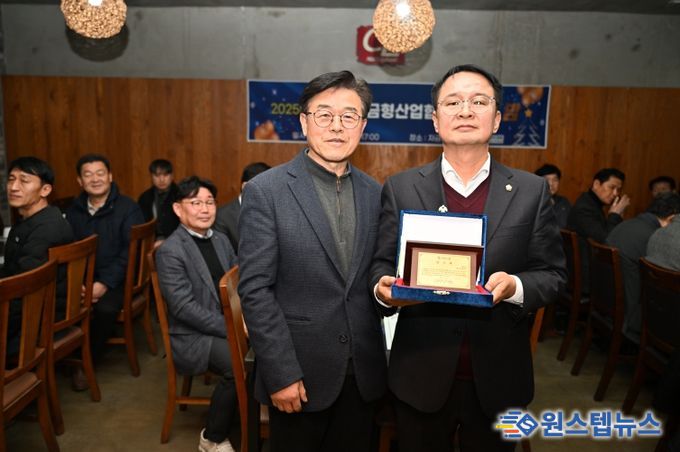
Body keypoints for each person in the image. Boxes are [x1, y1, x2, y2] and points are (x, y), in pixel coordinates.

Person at [369, 64, 566, 451]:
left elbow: (553, 275)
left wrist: (514, 286)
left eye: (478, 101)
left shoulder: (531, 191)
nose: (465, 111)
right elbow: (381, 265)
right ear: (435, 120)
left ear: (496, 119)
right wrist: (384, 291)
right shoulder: (401, 187)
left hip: (499, 376)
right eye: (453, 102)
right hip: (420, 374)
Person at [237, 70, 386, 452]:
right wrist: (281, 373)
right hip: (299, 373)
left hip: (362, 373)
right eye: (324, 115)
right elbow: (255, 290)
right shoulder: (266, 191)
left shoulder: (376, 193)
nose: (337, 126)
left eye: (349, 116)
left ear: (362, 126)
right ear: (304, 122)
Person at [156, 176, 237, 452]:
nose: (205, 209)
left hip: (225, 323)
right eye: (196, 203)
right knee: (237, 364)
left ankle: (247, 420)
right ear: (178, 209)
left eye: (210, 202)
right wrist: (233, 328)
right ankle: (212, 437)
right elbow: (183, 308)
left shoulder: (221, 239)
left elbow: (239, 282)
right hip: (192, 335)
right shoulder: (171, 251)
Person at [65, 154, 144, 389]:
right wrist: (78, 283)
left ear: (110, 176)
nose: (95, 179)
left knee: (105, 309)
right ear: (80, 181)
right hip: (83, 279)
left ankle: (85, 362)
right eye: (88, 175)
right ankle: (61, 358)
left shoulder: (128, 208)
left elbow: (130, 253)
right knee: (59, 304)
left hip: (119, 279)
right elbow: (69, 250)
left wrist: (104, 284)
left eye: (100, 173)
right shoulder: (73, 211)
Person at [3, 156, 74, 354]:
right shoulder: (34, 219)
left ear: (45, 190)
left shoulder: (46, 229)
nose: (14, 187)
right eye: (11, 179)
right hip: (30, 308)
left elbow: (25, 286)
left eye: (24, 181)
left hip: (36, 320)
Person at [606, 192, 680, 340]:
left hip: (608, 301)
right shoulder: (655, 236)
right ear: (672, 217)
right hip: (633, 315)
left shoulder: (627, 224)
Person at [566, 167, 629, 293]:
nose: (615, 194)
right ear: (596, 184)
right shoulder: (585, 208)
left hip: (587, 269)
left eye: (618, 189)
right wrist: (614, 215)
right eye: (612, 187)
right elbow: (606, 242)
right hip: (585, 278)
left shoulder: (591, 203)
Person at [214, 162, 270, 253]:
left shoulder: (272, 211)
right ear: (245, 187)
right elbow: (225, 254)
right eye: (263, 188)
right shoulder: (222, 217)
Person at [137, 158, 179, 245]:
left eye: (165, 175)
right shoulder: (145, 197)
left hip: (177, 242)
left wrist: (166, 241)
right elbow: (141, 225)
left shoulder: (180, 195)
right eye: (157, 175)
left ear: (172, 176)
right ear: (151, 177)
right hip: (151, 243)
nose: (161, 179)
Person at [534, 163, 571, 228]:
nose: (551, 184)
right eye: (546, 179)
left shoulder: (563, 202)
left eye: (555, 180)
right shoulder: (532, 201)